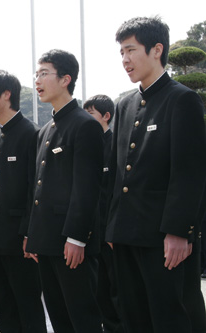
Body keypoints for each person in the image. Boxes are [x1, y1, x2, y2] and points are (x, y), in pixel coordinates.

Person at [106, 16, 206, 332]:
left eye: (131, 50)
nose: (124, 59)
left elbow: (189, 172)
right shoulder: (124, 105)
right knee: (134, 318)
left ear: (156, 49)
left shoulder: (183, 99)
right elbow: (116, 173)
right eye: (121, 51)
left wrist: (179, 231)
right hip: (125, 235)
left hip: (164, 238)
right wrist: (111, 228)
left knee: (173, 316)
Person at [24, 49, 104, 332]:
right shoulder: (46, 129)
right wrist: (33, 236)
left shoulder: (85, 125)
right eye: (36, 74)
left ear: (66, 79)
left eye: (44, 73)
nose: (37, 80)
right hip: (46, 240)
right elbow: (39, 188)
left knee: (82, 316)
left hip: (71, 242)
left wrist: (77, 238)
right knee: (59, 317)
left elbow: (87, 187)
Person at [0, 69, 46, 333]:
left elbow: (34, 190)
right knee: (3, 306)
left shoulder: (32, 134)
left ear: (6, 95)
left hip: (20, 240)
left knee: (27, 305)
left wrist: (29, 232)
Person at [83, 94, 123, 333]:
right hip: (92, 234)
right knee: (98, 292)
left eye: (91, 115)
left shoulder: (116, 146)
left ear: (106, 116)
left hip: (111, 233)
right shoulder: (89, 145)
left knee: (116, 292)